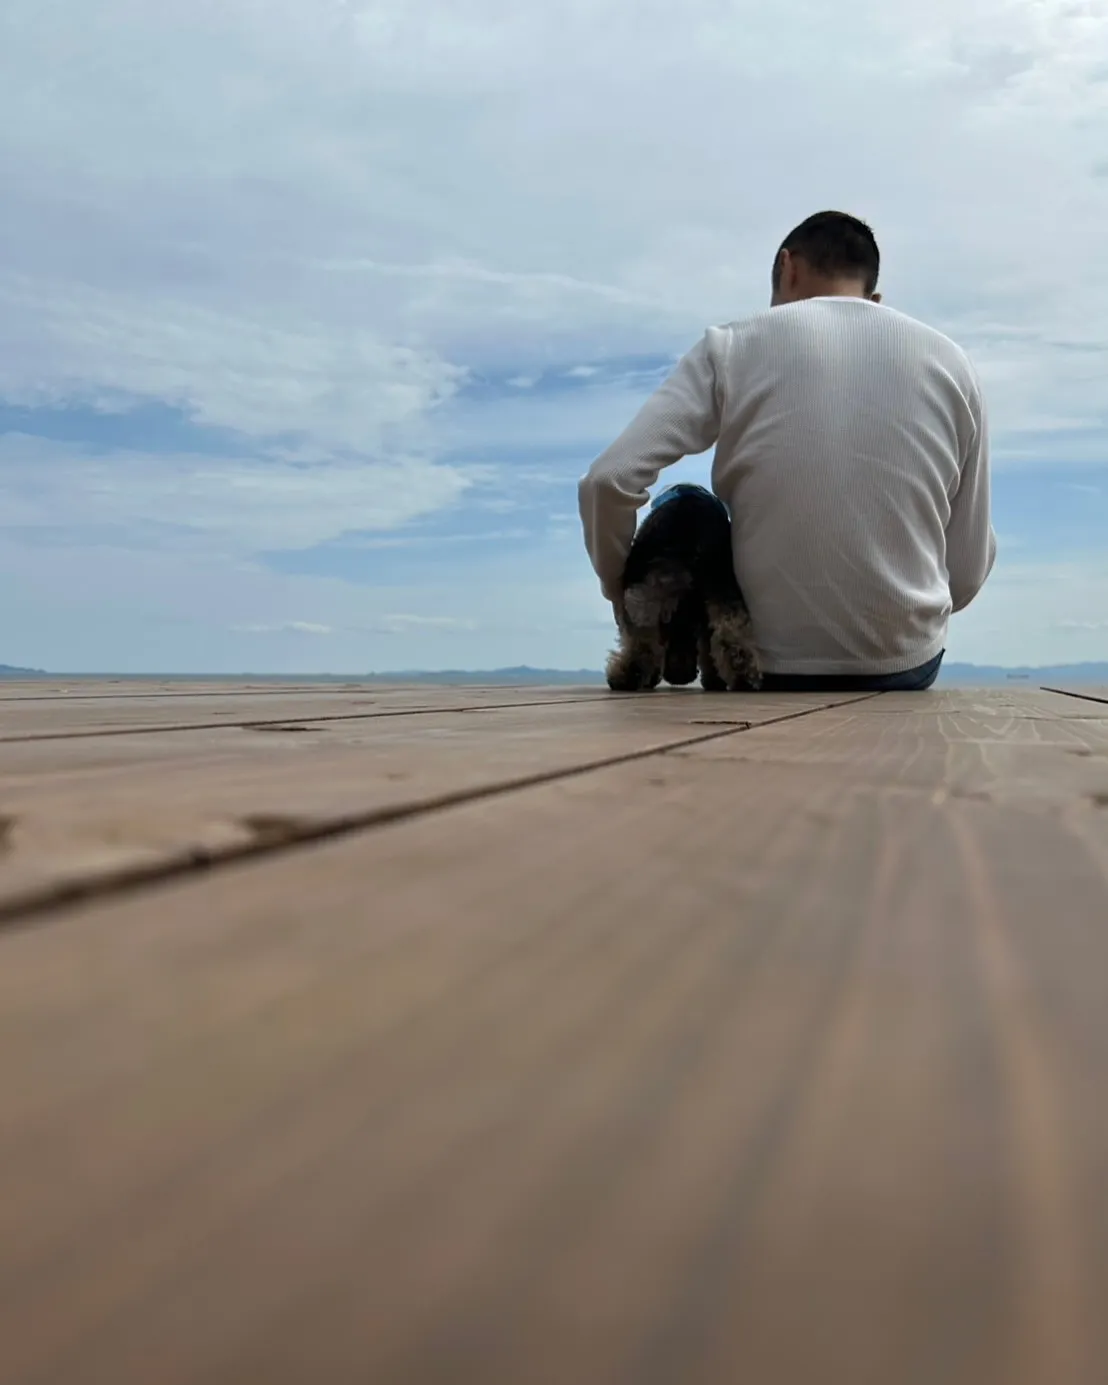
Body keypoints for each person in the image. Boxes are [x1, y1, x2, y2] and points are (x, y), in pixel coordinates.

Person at [577, 211, 997, 691]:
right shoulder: (953, 364)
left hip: (762, 667)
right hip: (904, 665)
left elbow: (608, 481)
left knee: (690, 504)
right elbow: (965, 571)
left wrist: (622, 593)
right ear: (874, 301)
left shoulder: (732, 345)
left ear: (787, 267)